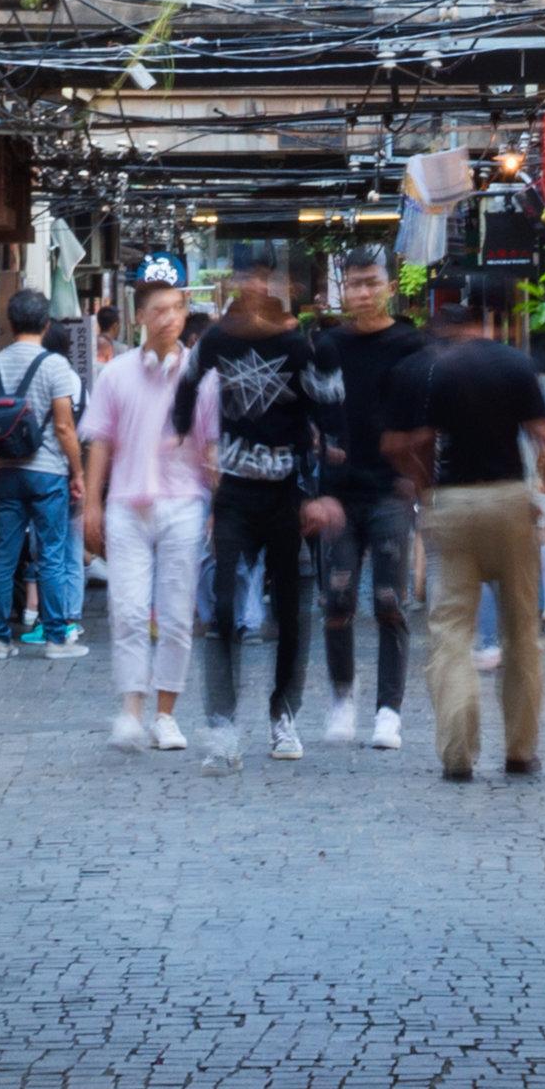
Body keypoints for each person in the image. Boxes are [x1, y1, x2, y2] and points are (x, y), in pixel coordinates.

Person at [398, 278, 545, 782]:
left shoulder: (437, 369)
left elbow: (420, 442)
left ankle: (457, 751)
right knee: (520, 632)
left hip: (453, 502)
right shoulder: (516, 365)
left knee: (451, 630)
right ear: (491, 323)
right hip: (509, 501)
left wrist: (426, 491)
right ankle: (519, 749)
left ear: (452, 327)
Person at [77, 263, 216, 753]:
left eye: (177, 308)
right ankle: (131, 709)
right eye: (158, 310)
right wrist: (90, 504)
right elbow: (99, 443)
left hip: (183, 503)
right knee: (129, 611)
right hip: (126, 507)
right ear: (140, 317)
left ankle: (166, 714)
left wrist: (219, 505)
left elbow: (211, 447)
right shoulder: (115, 374)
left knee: (177, 614)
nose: (169, 318)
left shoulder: (201, 376)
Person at [192, 265, 326, 765]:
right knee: (222, 607)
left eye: (260, 289)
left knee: (290, 613)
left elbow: (325, 413)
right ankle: (222, 724)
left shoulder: (298, 347)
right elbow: (188, 386)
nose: (251, 297)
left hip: (287, 494)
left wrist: (319, 487)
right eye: (242, 289)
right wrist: (182, 429)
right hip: (234, 496)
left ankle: (282, 714)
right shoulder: (217, 342)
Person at [300, 258, 429, 748]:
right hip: (338, 492)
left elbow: (428, 412)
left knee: (390, 602)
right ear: (343, 291)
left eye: (372, 284)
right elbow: (308, 406)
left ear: (389, 288)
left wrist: (420, 476)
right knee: (336, 599)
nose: (363, 293)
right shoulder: (329, 345)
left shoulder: (411, 344)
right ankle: (342, 697)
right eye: (354, 285)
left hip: (391, 489)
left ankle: (389, 711)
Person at [0, 289, 86, 663]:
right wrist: (78, 472)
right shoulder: (55, 366)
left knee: (3, 556)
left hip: (7, 474)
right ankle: (56, 639)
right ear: (46, 324)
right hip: (47, 474)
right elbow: (64, 427)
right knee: (52, 555)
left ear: (9, 325)